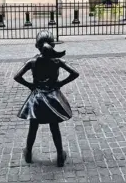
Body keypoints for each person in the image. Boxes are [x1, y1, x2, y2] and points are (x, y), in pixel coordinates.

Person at [13, 30, 79, 167]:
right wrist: (60, 83)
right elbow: (74, 73)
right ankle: (60, 155)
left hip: (37, 98)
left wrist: (30, 85)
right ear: (52, 45)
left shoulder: (32, 61)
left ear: (37, 45)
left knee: (33, 126)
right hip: (53, 97)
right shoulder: (57, 61)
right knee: (54, 127)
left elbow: (17, 76)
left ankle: (29, 153)